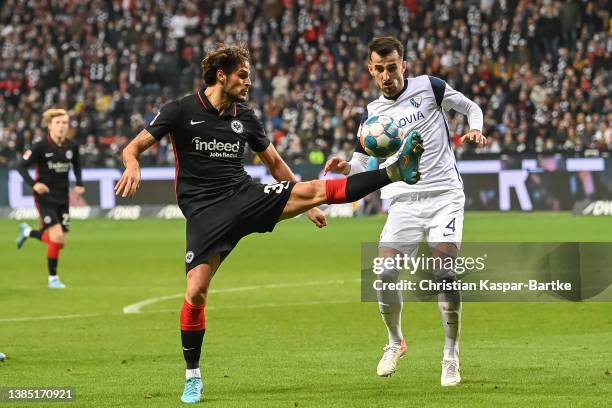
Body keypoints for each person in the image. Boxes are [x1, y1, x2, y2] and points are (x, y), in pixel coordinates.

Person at [113, 43, 424, 404]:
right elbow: (132, 147)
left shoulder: (245, 117)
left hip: (244, 197)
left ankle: (394, 170)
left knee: (316, 190)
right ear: (221, 76)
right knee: (196, 293)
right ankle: (193, 376)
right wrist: (132, 163)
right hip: (205, 214)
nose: (248, 83)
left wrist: (306, 206)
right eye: (243, 76)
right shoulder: (180, 110)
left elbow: (275, 164)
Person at [325, 36, 487, 386]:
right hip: (402, 200)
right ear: (370, 70)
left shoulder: (430, 87)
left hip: (444, 195)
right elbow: (364, 162)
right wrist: (345, 168)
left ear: (404, 65)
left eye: (392, 67)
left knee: (444, 275)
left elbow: (471, 107)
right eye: (379, 69)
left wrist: (475, 128)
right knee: (383, 274)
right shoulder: (372, 114)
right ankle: (395, 342)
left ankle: (450, 355)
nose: (386, 75)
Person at [16, 108, 85, 289]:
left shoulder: (72, 146)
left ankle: (28, 232)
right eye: (58, 123)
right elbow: (21, 166)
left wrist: (79, 183)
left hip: (63, 198)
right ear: (50, 126)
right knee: (56, 236)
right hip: (44, 197)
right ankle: (53, 279)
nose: (62, 126)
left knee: (60, 242)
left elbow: (77, 165)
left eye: (64, 123)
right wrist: (34, 184)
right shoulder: (39, 147)